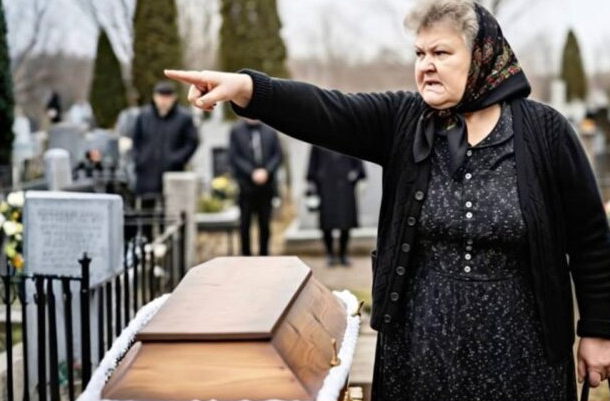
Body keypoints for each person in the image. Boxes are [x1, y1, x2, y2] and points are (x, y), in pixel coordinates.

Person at [164, 1, 610, 399]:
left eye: (441, 53)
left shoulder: (545, 132)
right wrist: (247, 88)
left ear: (481, 57)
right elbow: (325, 111)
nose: (426, 66)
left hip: (523, 352)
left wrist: (597, 330)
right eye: (419, 54)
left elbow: (590, 238)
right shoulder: (404, 120)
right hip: (421, 348)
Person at [133, 81, 199, 211]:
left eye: (167, 97)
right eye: (161, 96)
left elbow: (192, 142)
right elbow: (136, 140)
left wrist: (177, 158)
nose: (164, 101)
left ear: (174, 98)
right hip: (147, 172)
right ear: (154, 97)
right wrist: (140, 159)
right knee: (146, 212)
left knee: (172, 211)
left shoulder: (184, 118)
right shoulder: (143, 116)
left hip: (172, 171)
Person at [228, 118, 282, 256]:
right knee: (245, 223)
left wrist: (267, 171)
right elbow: (234, 157)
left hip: (266, 186)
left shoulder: (270, 131)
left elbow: (277, 155)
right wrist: (251, 172)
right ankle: (246, 254)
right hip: (246, 186)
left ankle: (264, 254)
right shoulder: (236, 131)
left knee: (265, 223)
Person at [306, 145, 366, 267]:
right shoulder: (317, 142)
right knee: (326, 224)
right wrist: (313, 184)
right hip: (325, 188)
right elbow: (312, 167)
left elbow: (359, 167)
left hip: (345, 188)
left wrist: (354, 174)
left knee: (346, 223)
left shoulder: (351, 140)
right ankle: (330, 254)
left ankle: (343, 254)